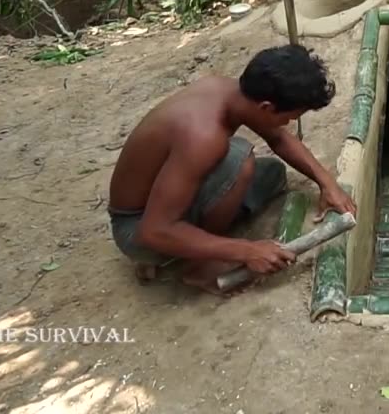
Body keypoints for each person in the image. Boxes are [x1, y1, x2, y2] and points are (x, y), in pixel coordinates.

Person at [107, 44, 357, 295]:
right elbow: (154, 230)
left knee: (272, 173)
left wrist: (327, 183)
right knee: (239, 159)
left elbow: (279, 139)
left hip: (162, 195)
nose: (287, 124)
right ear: (267, 108)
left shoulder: (229, 91)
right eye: (289, 118)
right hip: (137, 229)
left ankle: (187, 245)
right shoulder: (203, 138)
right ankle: (199, 267)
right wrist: (247, 250)